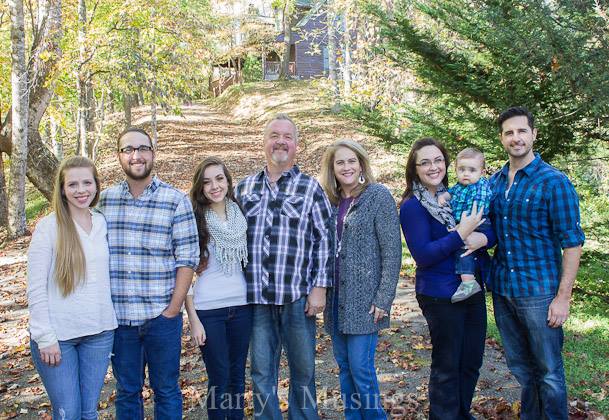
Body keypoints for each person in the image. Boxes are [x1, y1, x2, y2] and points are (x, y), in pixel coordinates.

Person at [489, 106, 584, 420]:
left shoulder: (554, 182)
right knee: (521, 368)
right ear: (502, 138)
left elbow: (572, 242)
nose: (516, 138)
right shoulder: (495, 182)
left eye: (521, 131)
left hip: (540, 294)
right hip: (503, 290)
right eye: (509, 133)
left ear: (533, 134)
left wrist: (563, 297)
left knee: (549, 371)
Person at [97, 127, 199, 420]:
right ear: (119, 156)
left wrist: (173, 309)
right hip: (120, 321)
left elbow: (187, 259)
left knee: (166, 389)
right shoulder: (104, 202)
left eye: (142, 148)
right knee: (127, 391)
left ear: (153, 153)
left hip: (161, 318)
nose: (136, 155)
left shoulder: (174, 201)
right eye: (128, 149)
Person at [235, 113, 332, 419]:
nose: (280, 141)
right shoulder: (244, 188)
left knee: (303, 372)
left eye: (287, 137)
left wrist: (319, 289)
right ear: (264, 142)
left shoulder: (310, 188)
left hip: (297, 298)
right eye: (274, 135)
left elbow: (326, 240)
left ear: (296, 145)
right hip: (257, 299)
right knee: (262, 372)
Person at [399, 137, 495, 419]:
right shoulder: (412, 206)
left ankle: (461, 413)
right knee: (447, 365)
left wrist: (483, 237)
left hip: (472, 288)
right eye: (425, 162)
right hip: (440, 293)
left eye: (438, 160)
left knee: (471, 362)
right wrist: (460, 234)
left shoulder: (462, 193)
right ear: (414, 169)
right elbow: (424, 255)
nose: (433, 167)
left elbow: (491, 227)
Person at [27, 156, 117, 419]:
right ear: (62, 189)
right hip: (58, 337)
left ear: (96, 185)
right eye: (73, 184)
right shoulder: (48, 228)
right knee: (68, 413)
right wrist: (44, 337)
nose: (81, 190)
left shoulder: (102, 223)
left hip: (99, 332)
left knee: (89, 412)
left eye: (87, 183)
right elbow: (35, 288)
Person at [320, 140, 402, 419]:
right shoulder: (329, 201)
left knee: (361, 369)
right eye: (340, 162)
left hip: (365, 301)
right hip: (336, 301)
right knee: (344, 367)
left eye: (351, 161)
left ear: (361, 164)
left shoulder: (378, 196)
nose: (346, 167)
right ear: (332, 168)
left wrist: (384, 298)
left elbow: (392, 252)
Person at [185, 157, 252, 420]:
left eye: (219, 178)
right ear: (200, 188)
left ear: (227, 181)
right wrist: (193, 319)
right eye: (207, 182)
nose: (214, 186)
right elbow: (185, 270)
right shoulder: (195, 220)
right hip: (208, 309)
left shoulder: (240, 214)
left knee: (237, 377)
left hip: (242, 307)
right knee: (219, 376)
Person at [437, 147, 492, 303]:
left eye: (472, 170)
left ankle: (468, 282)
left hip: (478, 221)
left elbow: (479, 209)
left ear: (481, 172)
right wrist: (443, 197)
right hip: (465, 222)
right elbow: (450, 192)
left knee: (463, 248)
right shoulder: (459, 186)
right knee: (470, 249)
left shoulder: (480, 187)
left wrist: (463, 228)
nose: (466, 173)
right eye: (461, 169)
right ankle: (488, 278)